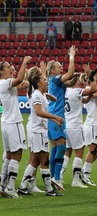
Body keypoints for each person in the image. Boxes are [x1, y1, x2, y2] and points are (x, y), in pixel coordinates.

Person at [18, 66, 64, 196]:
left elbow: (43, 112)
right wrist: (55, 117)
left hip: (38, 130)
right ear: (38, 83)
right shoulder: (37, 95)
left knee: (35, 161)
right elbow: (38, 112)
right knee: (44, 161)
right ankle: (49, 190)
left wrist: (55, 120)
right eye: (44, 79)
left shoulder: (40, 94)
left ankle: (22, 186)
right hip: (37, 131)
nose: (47, 81)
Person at [0, 56, 31, 198]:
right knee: (17, 154)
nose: (11, 68)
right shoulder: (4, 82)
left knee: (9, 156)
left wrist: (23, 75)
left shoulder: (3, 83)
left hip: (6, 123)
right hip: (13, 123)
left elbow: (22, 83)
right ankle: (10, 187)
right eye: (8, 67)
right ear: (2, 71)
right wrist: (24, 63)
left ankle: (2, 185)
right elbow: (20, 81)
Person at [46, 45, 77, 191]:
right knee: (62, 146)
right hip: (57, 118)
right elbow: (69, 74)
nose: (61, 68)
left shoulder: (55, 82)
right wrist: (71, 56)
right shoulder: (55, 79)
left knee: (55, 147)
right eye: (59, 67)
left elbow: (70, 81)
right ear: (53, 70)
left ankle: (52, 177)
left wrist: (75, 77)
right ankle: (57, 177)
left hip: (52, 118)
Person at [60, 71, 97, 188]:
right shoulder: (76, 91)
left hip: (68, 125)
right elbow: (92, 91)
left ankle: (59, 175)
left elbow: (85, 100)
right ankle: (77, 179)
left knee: (68, 151)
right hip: (76, 126)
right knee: (79, 152)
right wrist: (90, 77)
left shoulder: (67, 92)